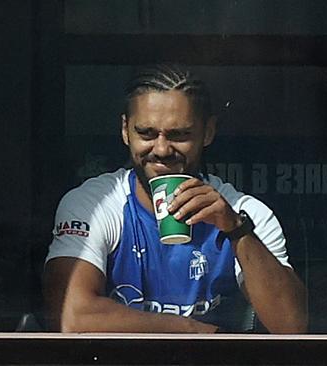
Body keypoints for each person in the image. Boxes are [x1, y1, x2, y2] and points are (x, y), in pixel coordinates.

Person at [43, 64, 307, 333]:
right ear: (125, 131)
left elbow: (291, 325)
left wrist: (235, 229)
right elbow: (71, 315)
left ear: (208, 132)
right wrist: (195, 331)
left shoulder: (244, 212)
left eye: (179, 135)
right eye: (146, 133)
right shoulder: (96, 203)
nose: (161, 149)